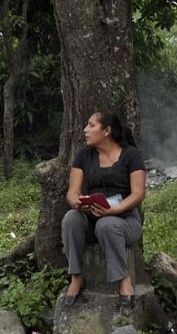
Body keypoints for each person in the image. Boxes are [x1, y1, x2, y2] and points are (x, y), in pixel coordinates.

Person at [60, 111, 146, 312]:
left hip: (125, 221)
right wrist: (78, 203)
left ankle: (123, 279)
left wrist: (113, 210)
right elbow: (72, 193)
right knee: (70, 219)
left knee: (107, 224)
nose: (85, 130)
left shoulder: (132, 155)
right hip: (91, 218)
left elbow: (138, 194)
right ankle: (76, 276)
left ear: (106, 131)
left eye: (91, 126)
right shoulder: (83, 156)